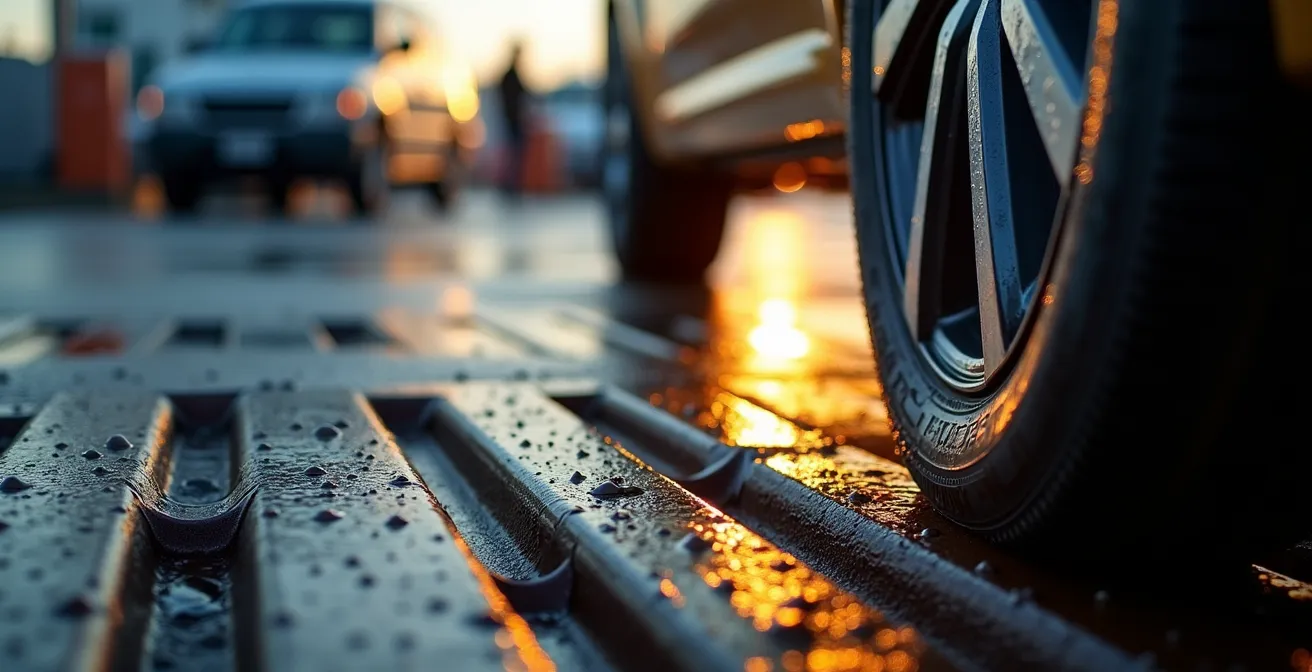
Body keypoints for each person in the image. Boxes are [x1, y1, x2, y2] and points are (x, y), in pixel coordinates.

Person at [498, 41, 530, 197]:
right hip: (512, 120)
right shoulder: (510, 75)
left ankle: (512, 187)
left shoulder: (512, 74)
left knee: (514, 155)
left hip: (513, 119)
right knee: (513, 155)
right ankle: (510, 187)